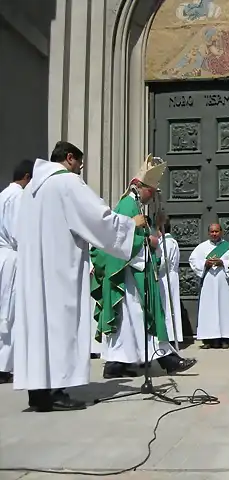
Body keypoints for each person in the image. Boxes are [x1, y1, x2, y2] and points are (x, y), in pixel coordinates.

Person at [12, 141, 145, 412]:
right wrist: (131, 225)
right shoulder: (67, 184)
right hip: (59, 269)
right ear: (69, 158)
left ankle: (39, 392)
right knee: (60, 326)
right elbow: (99, 218)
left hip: (33, 271)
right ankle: (58, 391)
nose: (81, 169)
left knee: (38, 330)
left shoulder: (31, 190)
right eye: (80, 164)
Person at [91, 155, 196, 379]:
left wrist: (150, 234)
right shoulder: (128, 204)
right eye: (151, 190)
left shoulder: (135, 203)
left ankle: (119, 364)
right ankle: (165, 359)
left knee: (132, 320)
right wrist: (150, 242)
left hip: (133, 273)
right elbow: (119, 241)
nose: (153, 195)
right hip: (129, 276)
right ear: (140, 186)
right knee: (139, 316)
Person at [0, 159, 34, 384]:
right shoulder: (19, 196)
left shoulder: (2, 194)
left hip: (3, 254)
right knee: (9, 311)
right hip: (12, 256)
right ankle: (4, 365)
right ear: (27, 177)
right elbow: (18, 232)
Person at [189, 223, 229, 348]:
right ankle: (209, 339)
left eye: (216, 231)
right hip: (208, 281)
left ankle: (225, 337)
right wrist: (205, 263)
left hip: (224, 281)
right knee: (209, 309)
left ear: (221, 232)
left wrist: (223, 262)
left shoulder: (228, 247)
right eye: (212, 232)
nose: (214, 234)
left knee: (224, 308)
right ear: (208, 233)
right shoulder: (202, 247)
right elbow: (193, 260)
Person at [157, 218, 183, 345]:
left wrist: (152, 267)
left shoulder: (167, 243)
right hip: (167, 276)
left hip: (166, 276)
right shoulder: (167, 242)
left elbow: (163, 261)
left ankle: (170, 336)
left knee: (167, 305)